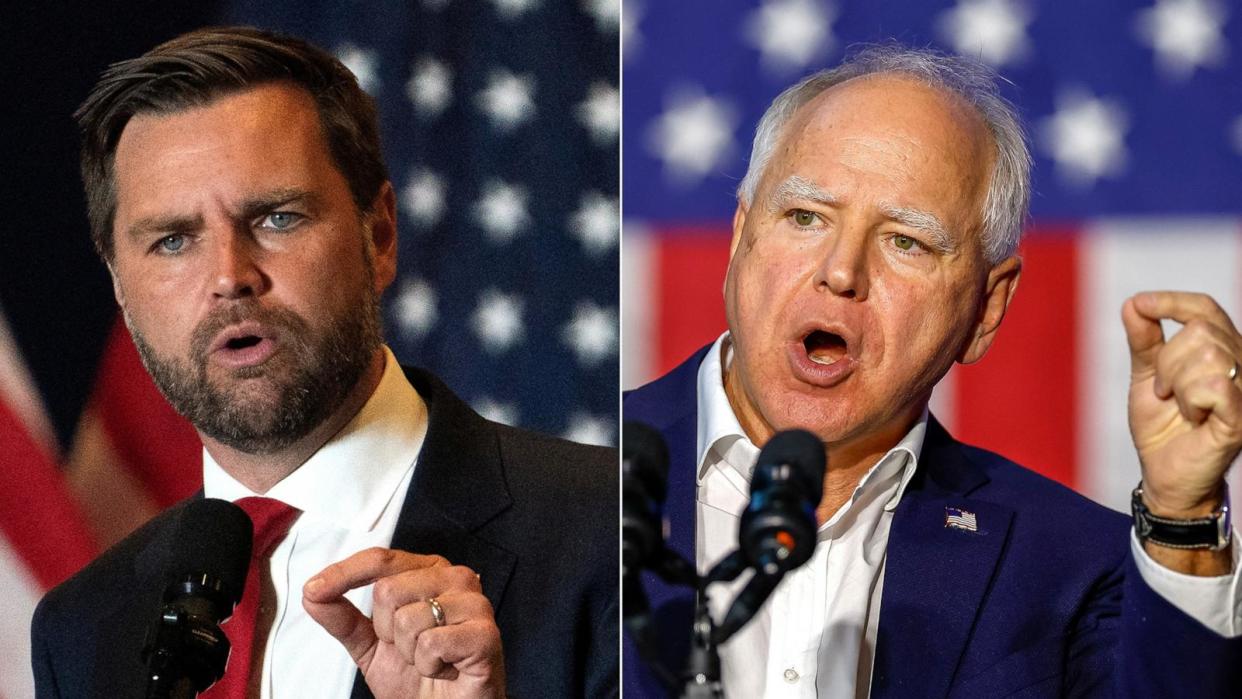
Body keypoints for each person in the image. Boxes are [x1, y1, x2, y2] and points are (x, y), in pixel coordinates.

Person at [623, 45, 1242, 697]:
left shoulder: (1072, 562)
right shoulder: (588, 470)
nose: (840, 271)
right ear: (739, 239)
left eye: (905, 241)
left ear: (986, 308)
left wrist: (1184, 514)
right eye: (806, 217)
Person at [30, 27, 617, 699]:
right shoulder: (79, 631)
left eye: (277, 217)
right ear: (120, 288)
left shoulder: (610, 535)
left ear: (381, 235)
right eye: (172, 240)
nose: (230, 275)